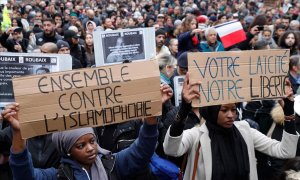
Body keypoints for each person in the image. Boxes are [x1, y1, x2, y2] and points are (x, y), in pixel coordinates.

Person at [163, 73, 299, 180]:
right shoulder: (196, 135)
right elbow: (171, 149)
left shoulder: (245, 131)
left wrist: (288, 114)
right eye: (224, 110)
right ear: (212, 111)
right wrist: (184, 109)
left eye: (233, 110)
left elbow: (286, 151)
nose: (230, 115)